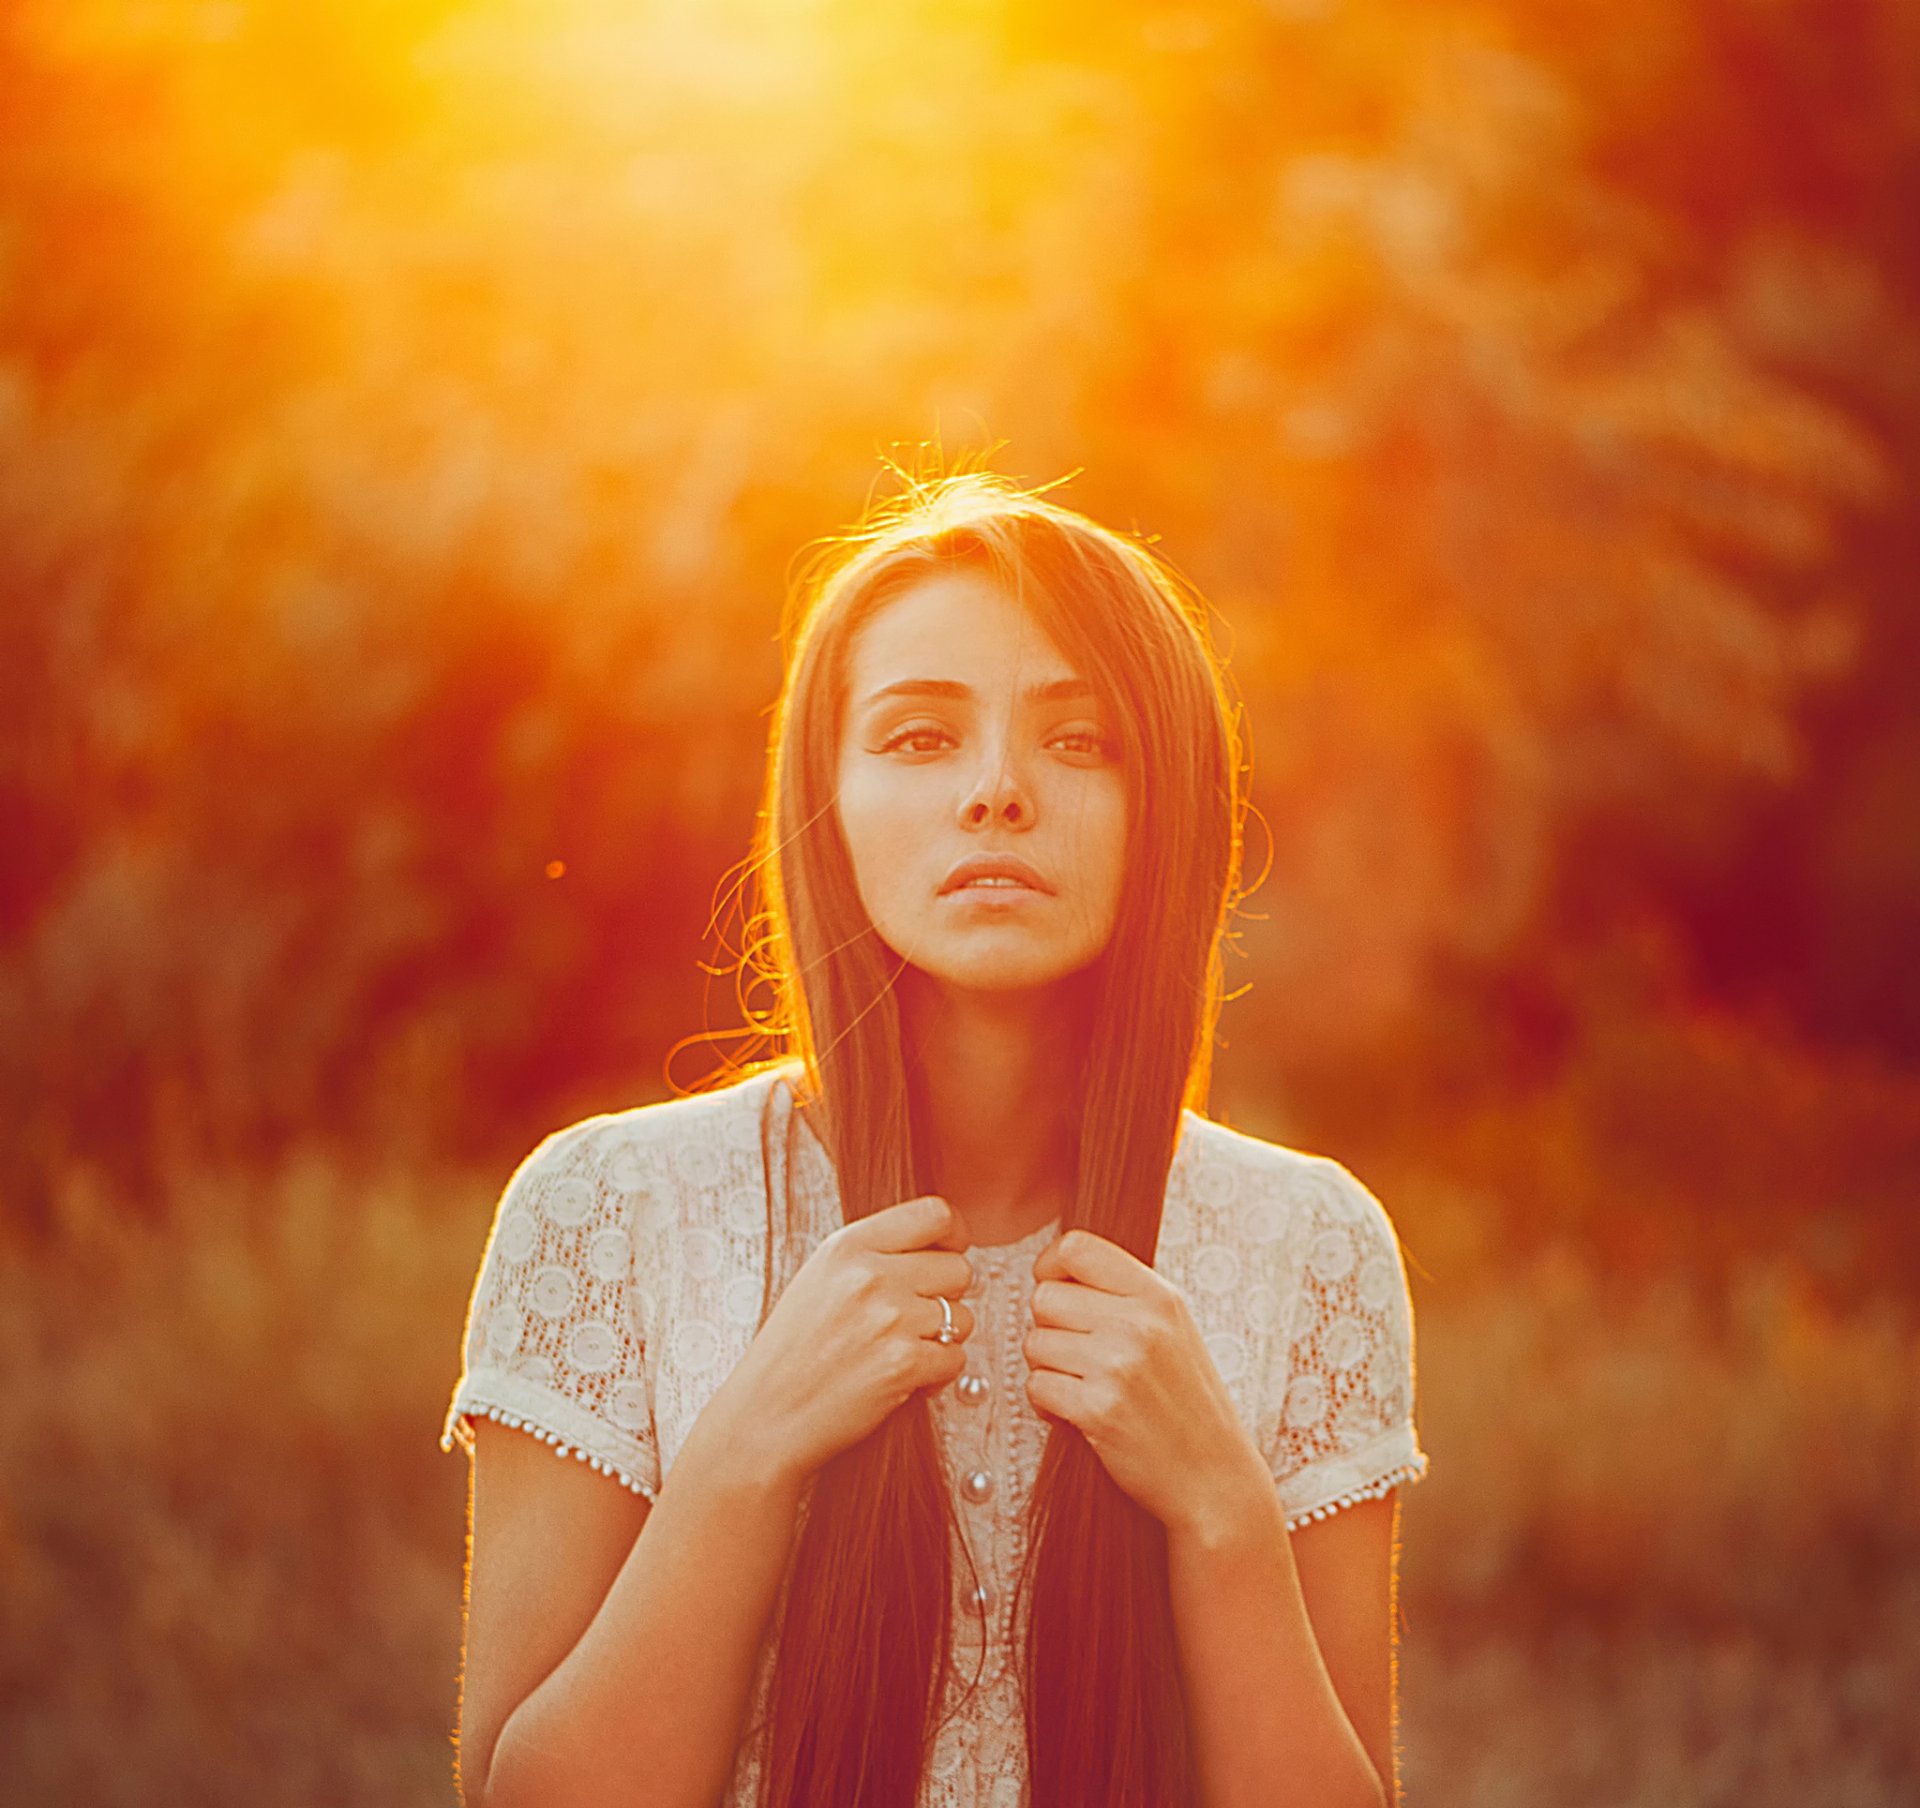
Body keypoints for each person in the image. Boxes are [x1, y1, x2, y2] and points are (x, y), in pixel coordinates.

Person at [439, 471, 1430, 1808]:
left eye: (1081, 740)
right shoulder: (607, 1210)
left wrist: (1222, 1514)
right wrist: (747, 1450)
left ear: (1173, 807)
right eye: (919, 737)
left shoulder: (1313, 1246)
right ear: (826, 800)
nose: (997, 792)